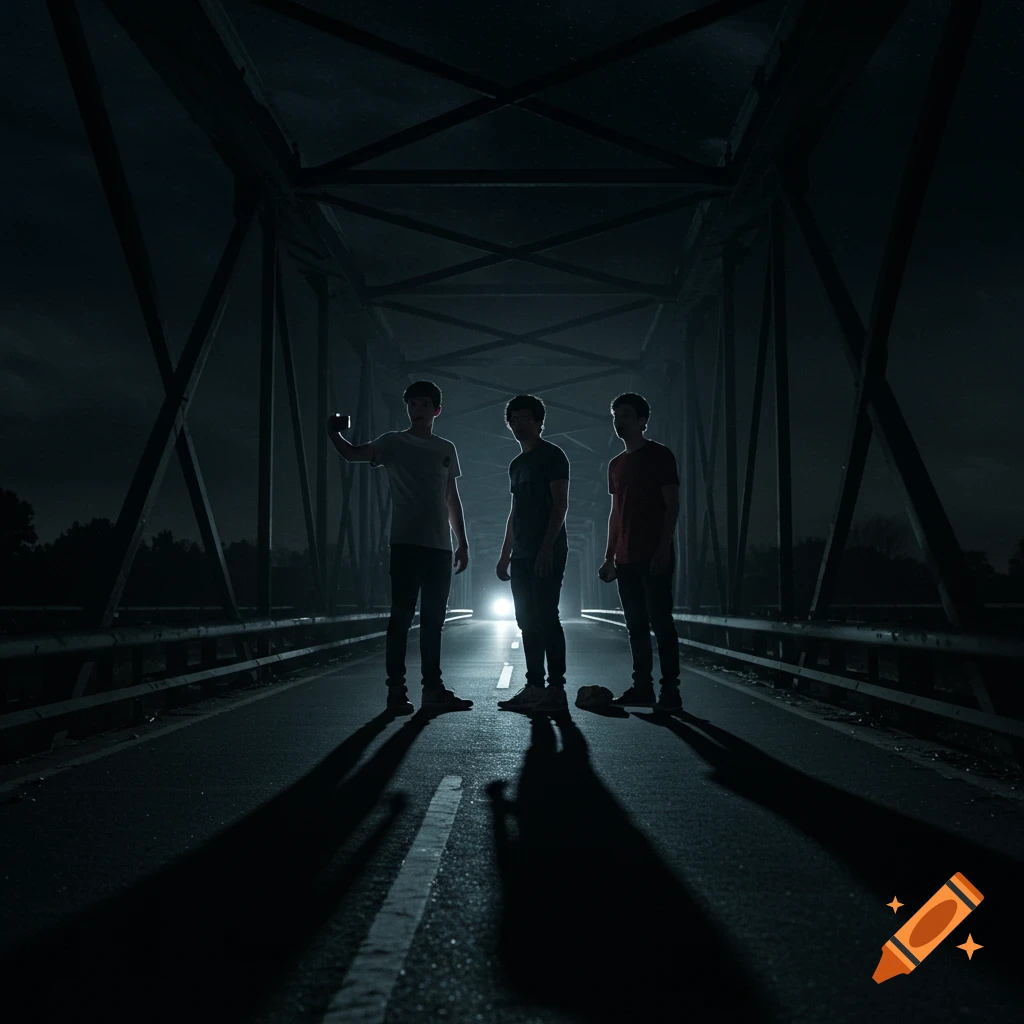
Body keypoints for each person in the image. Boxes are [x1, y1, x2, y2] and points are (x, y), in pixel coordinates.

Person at [327, 380, 473, 714]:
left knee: (434, 621)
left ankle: (432, 690)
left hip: (439, 547)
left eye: (424, 404)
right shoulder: (393, 442)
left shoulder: (446, 448)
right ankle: (396, 691)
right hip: (406, 542)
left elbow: (451, 497)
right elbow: (353, 455)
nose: (417, 410)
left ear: (436, 410)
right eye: (412, 404)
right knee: (402, 619)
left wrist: (462, 543)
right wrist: (334, 433)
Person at [598, 392, 682, 710]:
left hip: (653, 553)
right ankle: (642, 688)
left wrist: (664, 549)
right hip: (626, 558)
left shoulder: (660, 456)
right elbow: (616, 512)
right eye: (616, 416)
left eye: (627, 415)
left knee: (661, 623)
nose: (620, 421)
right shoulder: (616, 465)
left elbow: (672, 504)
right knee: (635, 626)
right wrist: (609, 557)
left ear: (643, 420)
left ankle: (670, 690)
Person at [495, 395, 570, 714]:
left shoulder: (553, 456)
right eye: (514, 418)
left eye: (526, 418)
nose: (519, 423)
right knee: (526, 620)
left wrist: (547, 549)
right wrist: (504, 554)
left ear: (540, 422)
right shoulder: (516, 464)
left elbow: (560, 504)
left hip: (545, 550)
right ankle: (534, 686)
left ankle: (555, 688)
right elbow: (515, 511)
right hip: (522, 554)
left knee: (547, 616)